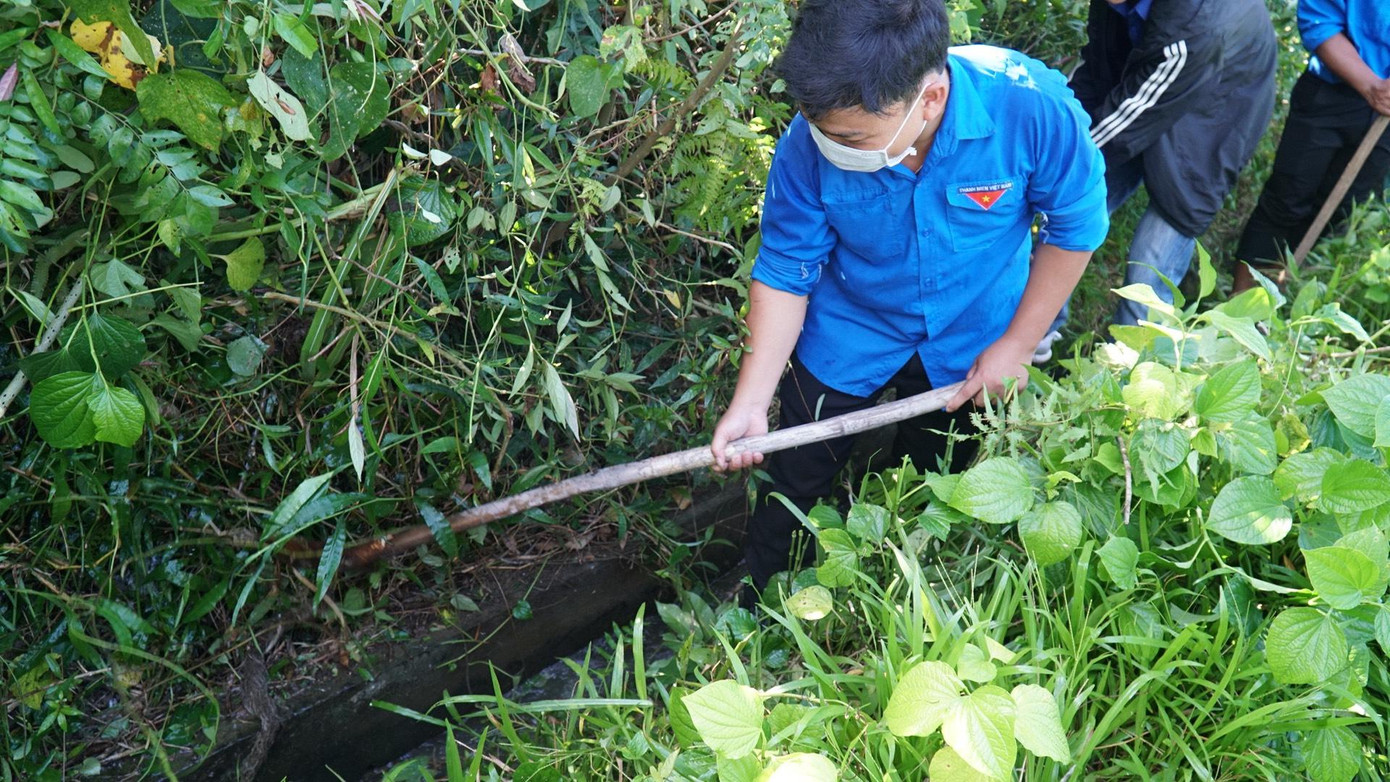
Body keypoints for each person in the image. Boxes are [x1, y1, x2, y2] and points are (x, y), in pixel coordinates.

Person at [707, 0, 1109, 595]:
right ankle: (765, 600)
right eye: (819, 129)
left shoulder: (1029, 107)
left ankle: (894, 598)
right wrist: (750, 402)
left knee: (934, 478)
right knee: (795, 480)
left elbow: (1076, 225)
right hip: (850, 330)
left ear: (930, 99)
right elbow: (787, 270)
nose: (829, 147)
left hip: (974, 337)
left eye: (849, 138)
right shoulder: (808, 144)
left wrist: (1018, 346)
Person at [1048, 0, 1276, 334]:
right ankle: (1032, 341)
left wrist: (1060, 164)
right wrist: (1059, 146)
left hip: (1218, 107)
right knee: (1066, 207)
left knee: (1151, 262)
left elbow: (1126, 126)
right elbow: (1096, 69)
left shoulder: (1194, 26)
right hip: (1157, 67)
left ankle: (1133, 357)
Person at [1232, 0, 1390, 293]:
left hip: (1385, 125)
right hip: (1333, 90)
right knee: (1287, 199)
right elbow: (1320, 19)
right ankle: (1240, 306)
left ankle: (1281, 294)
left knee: (1343, 211)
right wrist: (1373, 88)